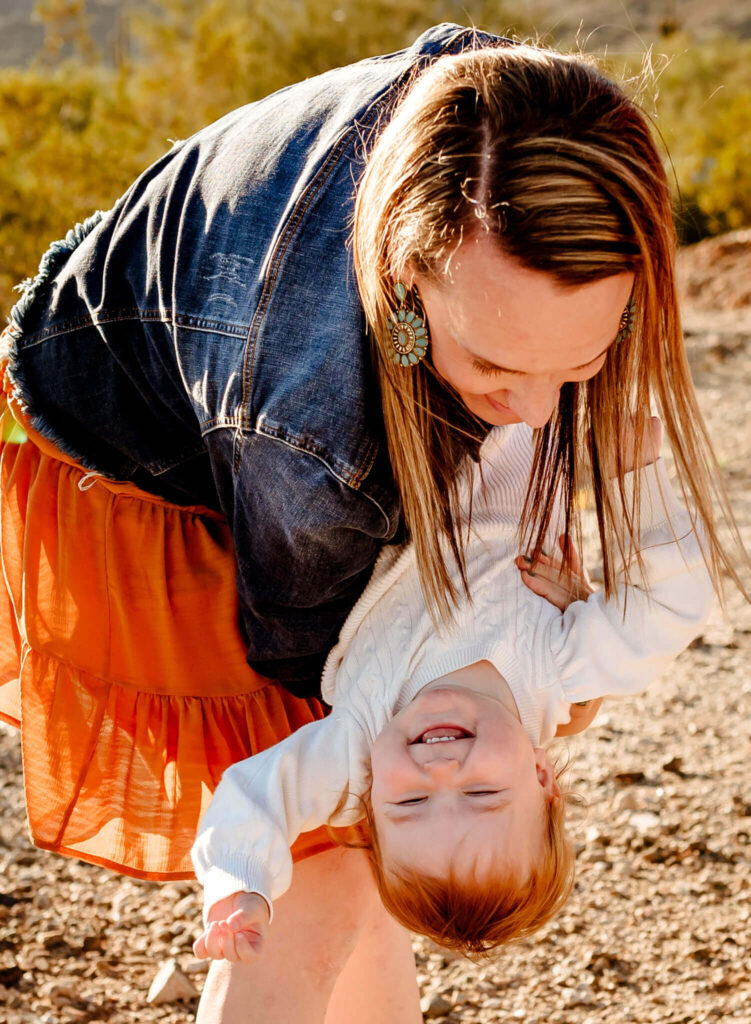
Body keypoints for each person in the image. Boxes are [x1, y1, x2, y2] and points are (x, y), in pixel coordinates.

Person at [0, 24, 743, 1024]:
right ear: (405, 288)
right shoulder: (315, 443)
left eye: (575, 368)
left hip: (276, 423)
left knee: (366, 859)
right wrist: (248, 890)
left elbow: (301, 796)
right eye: (495, 368)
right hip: (138, 455)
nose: (532, 413)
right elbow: (290, 660)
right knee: (335, 878)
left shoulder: (506, 132)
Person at [189, 414, 712, 961]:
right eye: (481, 794)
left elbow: (258, 795)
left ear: (368, 798)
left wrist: (238, 885)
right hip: (522, 424)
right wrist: (635, 479)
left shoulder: (360, 741)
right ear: (541, 775)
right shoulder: (562, 669)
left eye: (410, 800)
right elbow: (668, 610)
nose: (439, 772)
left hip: (398, 444)